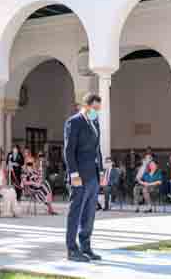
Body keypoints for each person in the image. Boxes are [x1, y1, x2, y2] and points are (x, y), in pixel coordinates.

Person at [64, 93, 103, 263]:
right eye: (94, 108)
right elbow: (69, 150)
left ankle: (85, 246)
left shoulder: (94, 122)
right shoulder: (74, 122)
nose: (96, 112)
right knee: (76, 212)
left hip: (93, 175)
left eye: (98, 109)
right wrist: (73, 174)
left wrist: (100, 172)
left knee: (89, 213)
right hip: (79, 176)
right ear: (85, 106)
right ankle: (72, 249)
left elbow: (97, 149)